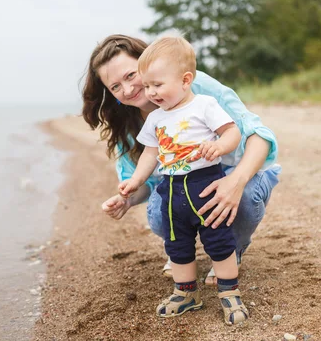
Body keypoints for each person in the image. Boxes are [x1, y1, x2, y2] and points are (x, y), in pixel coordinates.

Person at [80, 34, 280, 285]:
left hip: (227, 174)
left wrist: (236, 182)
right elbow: (143, 181)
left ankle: (234, 248)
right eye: (115, 87)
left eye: (131, 76)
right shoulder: (128, 122)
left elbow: (258, 134)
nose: (128, 89)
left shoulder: (196, 88)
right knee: (157, 210)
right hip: (181, 188)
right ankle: (181, 254)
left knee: (247, 195)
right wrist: (126, 199)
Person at [118, 35, 248, 324]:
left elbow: (232, 132)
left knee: (219, 240)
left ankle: (229, 292)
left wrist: (219, 147)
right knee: (177, 245)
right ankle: (186, 292)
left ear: (185, 80)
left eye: (157, 85)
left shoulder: (204, 105)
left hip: (204, 184)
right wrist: (136, 181)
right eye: (147, 85)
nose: (150, 92)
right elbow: (150, 153)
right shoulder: (155, 119)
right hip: (172, 189)